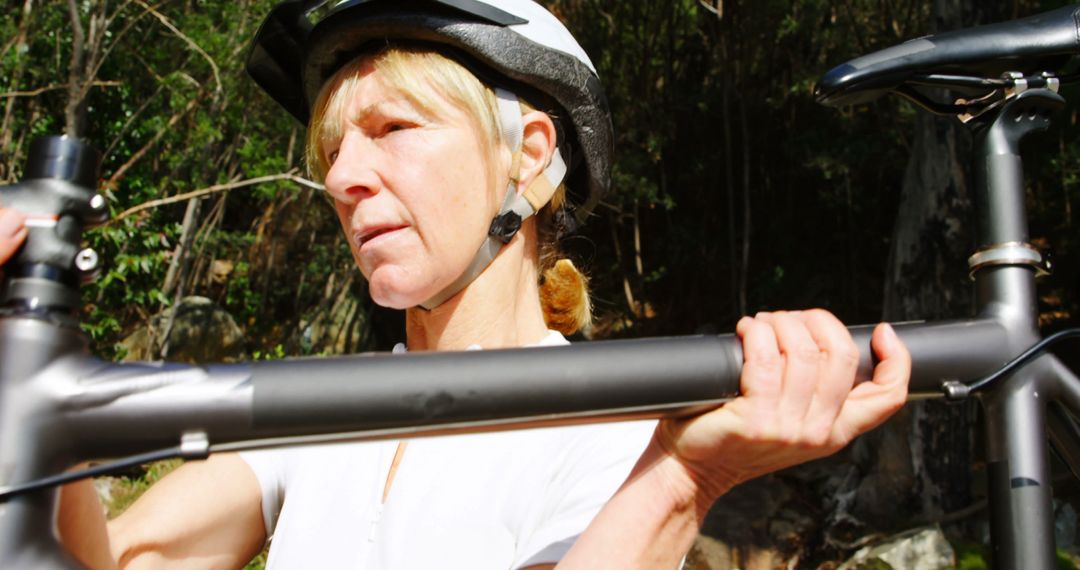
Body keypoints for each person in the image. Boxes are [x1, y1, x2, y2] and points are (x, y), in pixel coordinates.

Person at [0, 1, 910, 568]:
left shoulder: (616, 435)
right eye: (332, 147)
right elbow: (111, 560)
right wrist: (33, 375)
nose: (345, 175)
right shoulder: (320, 413)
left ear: (530, 157)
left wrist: (683, 480)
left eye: (394, 126)